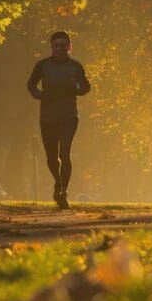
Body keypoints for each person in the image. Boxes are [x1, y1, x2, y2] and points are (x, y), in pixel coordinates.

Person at [27, 31, 91, 209]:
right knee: (51, 158)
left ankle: (64, 191)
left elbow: (85, 87)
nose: (60, 49)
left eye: (63, 46)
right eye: (56, 46)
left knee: (65, 153)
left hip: (69, 116)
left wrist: (75, 86)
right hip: (47, 117)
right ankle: (58, 182)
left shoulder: (75, 67)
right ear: (52, 48)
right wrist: (38, 94)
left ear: (69, 47)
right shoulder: (43, 65)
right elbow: (31, 83)